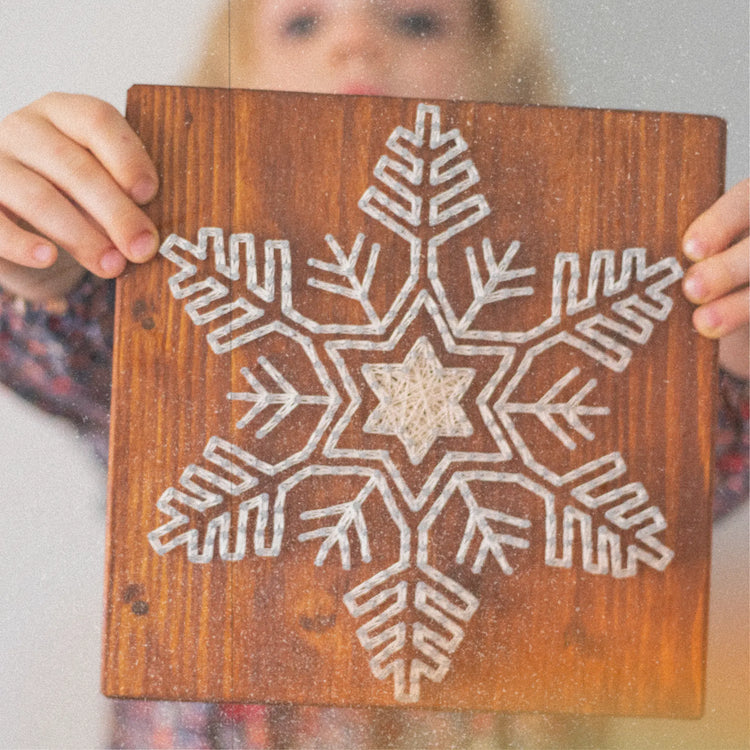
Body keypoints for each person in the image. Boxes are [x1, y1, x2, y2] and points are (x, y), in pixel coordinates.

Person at [0, 1, 747, 747]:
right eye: (302, 22)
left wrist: (736, 348)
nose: (356, 43)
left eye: (416, 21)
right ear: (235, 67)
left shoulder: (592, 288)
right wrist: (48, 265)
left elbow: (668, 485)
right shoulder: (163, 297)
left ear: (498, 61)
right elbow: (71, 352)